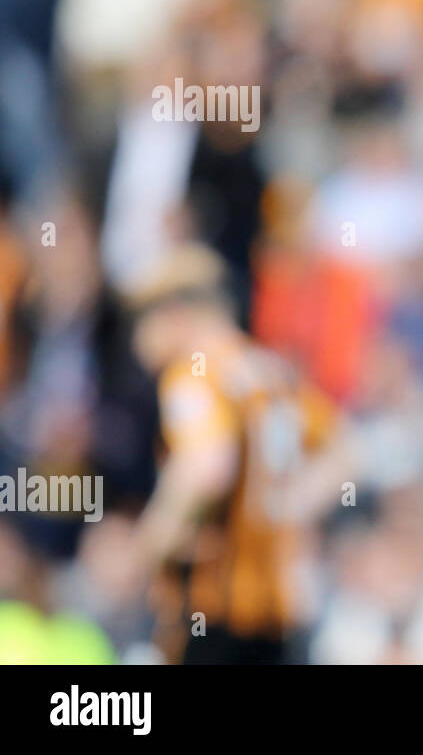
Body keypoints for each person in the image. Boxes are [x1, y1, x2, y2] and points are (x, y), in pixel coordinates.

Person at [126, 244, 350, 664]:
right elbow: (343, 450)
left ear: (175, 313)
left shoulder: (194, 374)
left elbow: (207, 467)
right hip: (276, 606)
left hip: (214, 606)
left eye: (143, 318)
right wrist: (287, 510)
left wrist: (149, 545)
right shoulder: (267, 371)